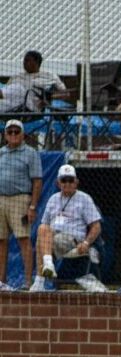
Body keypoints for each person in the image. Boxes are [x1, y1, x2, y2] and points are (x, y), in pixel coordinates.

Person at [30, 165, 104, 292]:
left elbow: (96, 226)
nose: (67, 183)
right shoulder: (53, 199)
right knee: (41, 231)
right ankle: (45, 270)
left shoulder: (84, 198)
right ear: (58, 183)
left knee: (43, 240)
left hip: (74, 241)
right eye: (64, 180)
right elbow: (45, 225)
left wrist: (86, 242)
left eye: (70, 180)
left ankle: (40, 279)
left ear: (76, 182)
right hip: (52, 240)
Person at [0, 119, 42, 288]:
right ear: (5, 135)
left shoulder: (30, 153)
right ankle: (1, 281)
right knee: (1, 241)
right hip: (0, 199)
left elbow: (37, 181)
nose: (13, 135)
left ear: (23, 134)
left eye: (16, 132)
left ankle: (27, 281)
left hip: (20, 199)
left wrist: (32, 206)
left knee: (23, 239)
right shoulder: (1, 152)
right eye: (10, 132)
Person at [0, 51, 68, 113]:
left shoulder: (50, 76)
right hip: (12, 106)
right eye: (24, 60)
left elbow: (66, 94)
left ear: (37, 62)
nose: (24, 62)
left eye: (27, 60)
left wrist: (47, 98)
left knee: (18, 88)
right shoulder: (16, 76)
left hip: (32, 106)